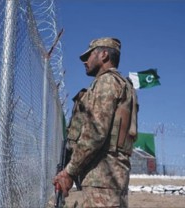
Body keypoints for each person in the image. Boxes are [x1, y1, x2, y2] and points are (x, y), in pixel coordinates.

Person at [53, 37, 138, 207]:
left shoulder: (107, 82)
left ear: (104, 55)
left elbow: (95, 132)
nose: (85, 61)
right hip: (110, 176)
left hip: (102, 175)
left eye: (89, 55)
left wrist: (69, 171)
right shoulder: (122, 84)